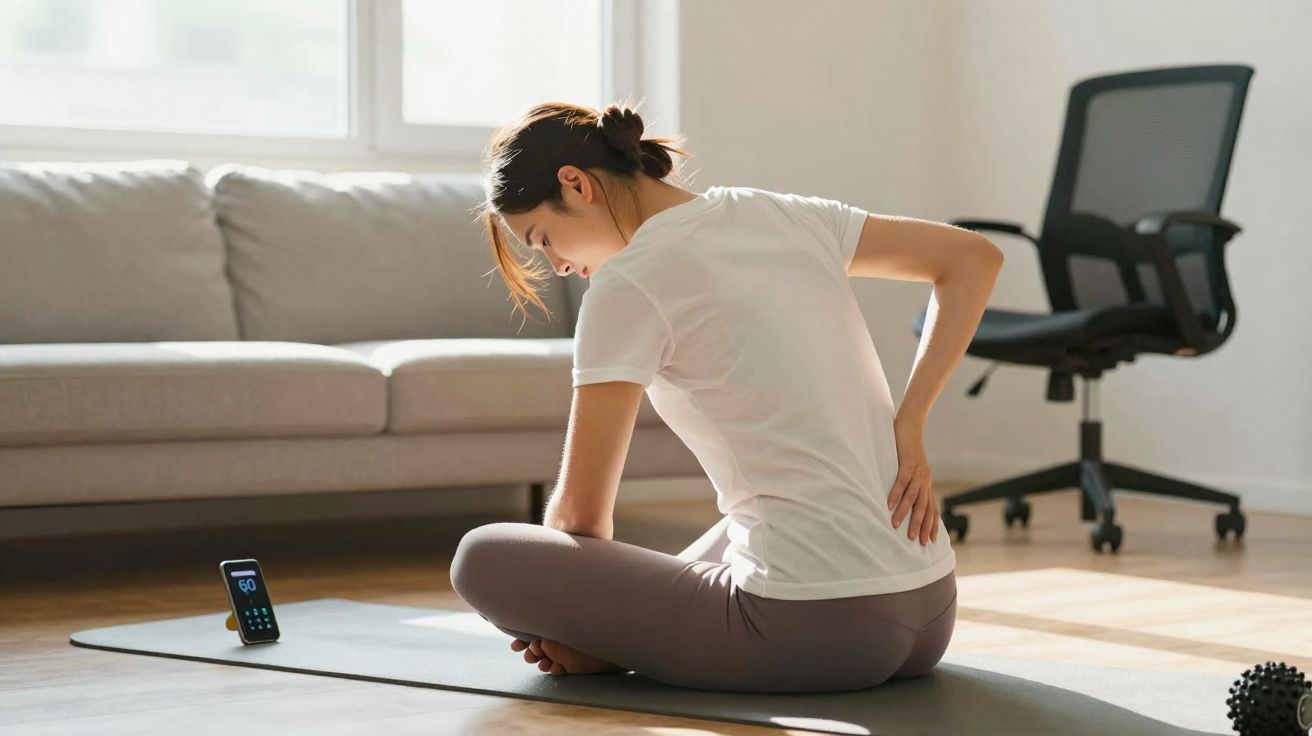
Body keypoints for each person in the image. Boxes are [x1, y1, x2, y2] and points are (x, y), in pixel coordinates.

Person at [449, 100, 1003, 693]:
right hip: (930, 611)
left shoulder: (626, 283)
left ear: (576, 184)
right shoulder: (778, 213)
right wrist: (909, 421)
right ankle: (626, 643)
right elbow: (973, 257)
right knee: (748, 510)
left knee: (481, 557)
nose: (557, 264)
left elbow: (581, 518)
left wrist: (577, 616)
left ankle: (614, 647)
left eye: (544, 238)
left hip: (811, 629)